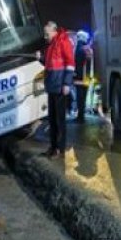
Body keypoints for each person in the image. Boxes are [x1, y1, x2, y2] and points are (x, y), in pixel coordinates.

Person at [38, 21, 75, 159]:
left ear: (54, 31)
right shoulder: (51, 45)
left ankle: (59, 149)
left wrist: (66, 83)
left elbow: (70, 63)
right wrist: (41, 58)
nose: (45, 36)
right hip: (52, 87)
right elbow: (49, 65)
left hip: (59, 87)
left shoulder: (63, 41)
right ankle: (53, 147)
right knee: (52, 120)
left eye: (47, 34)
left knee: (59, 120)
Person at [73, 30, 94, 119]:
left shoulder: (78, 48)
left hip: (79, 77)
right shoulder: (87, 48)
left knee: (79, 97)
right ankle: (82, 115)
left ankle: (80, 115)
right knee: (83, 97)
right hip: (86, 77)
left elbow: (76, 62)